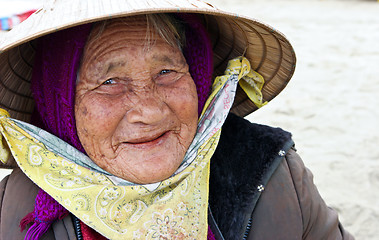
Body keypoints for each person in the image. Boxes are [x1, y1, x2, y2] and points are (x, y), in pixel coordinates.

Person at [0, 0, 354, 239]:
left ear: (197, 75)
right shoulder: (13, 210)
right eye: (109, 82)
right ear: (60, 104)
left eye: (166, 71)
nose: (150, 111)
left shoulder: (274, 173)